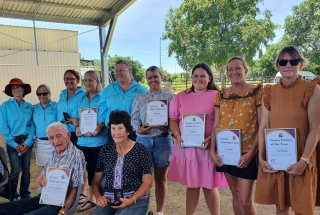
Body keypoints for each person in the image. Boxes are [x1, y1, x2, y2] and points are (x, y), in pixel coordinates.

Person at [255, 45, 320, 214]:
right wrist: (261, 158)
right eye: (283, 61)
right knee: (281, 208)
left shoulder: (312, 89)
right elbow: (264, 126)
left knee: (302, 209)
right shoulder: (269, 92)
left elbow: (316, 129)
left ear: (301, 64)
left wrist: (303, 161)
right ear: (277, 65)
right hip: (277, 158)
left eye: (294, 61)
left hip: (302, 157)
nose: (288, 65)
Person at [168, 63, 228, 215]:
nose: (198, 79)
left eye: (202, 76)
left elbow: (222, 121)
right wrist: (178, 135)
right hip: (187, 148)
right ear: (191, 77)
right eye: (195, 75)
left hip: (208, 147)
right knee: (192, 185)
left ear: (209, 78)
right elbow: (173, 119)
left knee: (210, 186)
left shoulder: (218, 96)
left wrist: (211, 138)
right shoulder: (181, 97)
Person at [210, 57, 262, 215]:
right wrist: (213, 151)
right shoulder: (221, 94)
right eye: (230, 69)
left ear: (245, 70)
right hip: (227, 151)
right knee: (236, 195)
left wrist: (251, 153)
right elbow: (216, 124)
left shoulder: (257, 92)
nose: (234, 72)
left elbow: (261, 125)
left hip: (248, 152)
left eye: (238, 68)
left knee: (246, 201)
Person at [0, 122, 85, 215]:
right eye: (51, 138)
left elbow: (74, 188)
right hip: (44, 198)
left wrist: (63, 210)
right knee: (3, 208)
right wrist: (40, 179)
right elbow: (44, 175)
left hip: (58, 203)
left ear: (68, 135)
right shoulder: (53, 153)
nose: (55, 141)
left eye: (59, 136)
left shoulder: (76, 155)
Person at [90, 110, 152, 215]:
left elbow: (148, 182)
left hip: (135, 199)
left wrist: (132, 199)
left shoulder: (140, 149)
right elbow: (95, 181)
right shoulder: (105, 150)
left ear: (128, 131)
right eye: (113, 128)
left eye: (120, 128)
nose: (116, 133)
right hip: (109, 200)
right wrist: (99, 197)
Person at [131, 66, 174, 215]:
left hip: (163, 141)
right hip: (144, 141)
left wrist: (167, 128)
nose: (153, 80)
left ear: (161, 77)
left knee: (161, 179)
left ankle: (160, 211)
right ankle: (144, 210)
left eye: (155, 76)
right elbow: (134, 119)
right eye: (149, 77)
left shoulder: (170, 98)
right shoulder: (140, 97)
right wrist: (139, 130)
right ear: (147, 80)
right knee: (144, 179)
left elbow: (175, 119)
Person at [72, 70, 108, 212]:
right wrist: (76, 127)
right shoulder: (80, 98)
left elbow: (104, 118)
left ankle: (97, 199)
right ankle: (93, 198)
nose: (87, 83)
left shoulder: (103, 97)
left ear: (97, 82)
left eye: (91, 80)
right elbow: (75, 115)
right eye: (86, 80)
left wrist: (99, 127)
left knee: (98, 172)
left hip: (98, 141)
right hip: (83, 142)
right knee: (88, 170)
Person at [95, 60, 147, 142]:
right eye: (116, 70)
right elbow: (103, 107)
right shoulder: (109, 89)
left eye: (121, 70)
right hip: (113, 132)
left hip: (133, 132)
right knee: (115, 154)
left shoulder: (141, 90)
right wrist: (101, 123)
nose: (118, 73)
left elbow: (146, 110)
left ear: (130, 71)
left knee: (133, 154)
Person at [0, 78, 35, 200]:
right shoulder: (4, 106)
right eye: (13, 88)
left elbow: (32, 126)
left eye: (18, 87)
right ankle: (12, 194)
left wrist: (28, 143)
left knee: (26, 170)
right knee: (15, 171)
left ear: (23, 89)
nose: (16, 90)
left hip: (26, 142)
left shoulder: (29, 107)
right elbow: (4, 128)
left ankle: (25, 194)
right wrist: (14, 144)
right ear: (11, 91)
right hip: (12, 143)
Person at [57, 69, 85, 146]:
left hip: (76, 133)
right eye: (66, 78)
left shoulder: (84, 95)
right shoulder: (62, 94)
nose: (69, 81)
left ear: (78, 80)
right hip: (62, 133)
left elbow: (88, 114)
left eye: (72, 79)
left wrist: (75, 120)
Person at [32, 84, 57, 166]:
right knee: (44, 167)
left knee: (56, 166)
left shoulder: (57, 106)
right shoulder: (34, 108)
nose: (42, 96)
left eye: (44, 93)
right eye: (39, 94)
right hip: (40, 143)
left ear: (49, 94)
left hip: (54, 141)